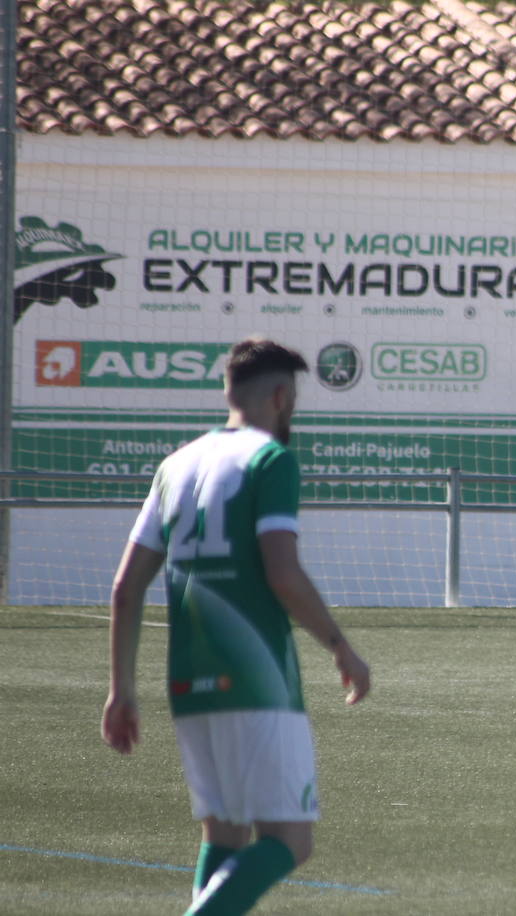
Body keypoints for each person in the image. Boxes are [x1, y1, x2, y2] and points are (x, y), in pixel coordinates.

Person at [101, 337, 371, 916]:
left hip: (188, 683)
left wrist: (121, 689)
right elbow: (283, 572)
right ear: (280, 397)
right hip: (258, 680)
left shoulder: (175, 466)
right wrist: (340, 646)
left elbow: (126, 589)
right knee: (289, 840)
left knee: (223, 835)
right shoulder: (270, 460)